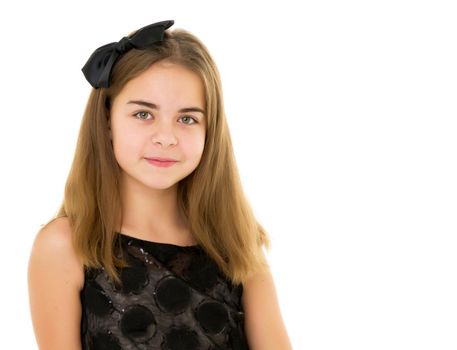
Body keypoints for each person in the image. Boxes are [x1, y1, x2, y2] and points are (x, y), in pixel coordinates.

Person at [27, 20, 292, 350]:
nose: (166, 138)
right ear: (107, 121)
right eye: (143, 114)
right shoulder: (66, 246)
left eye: (187, 119)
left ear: (210, 132)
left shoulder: (237, 244)